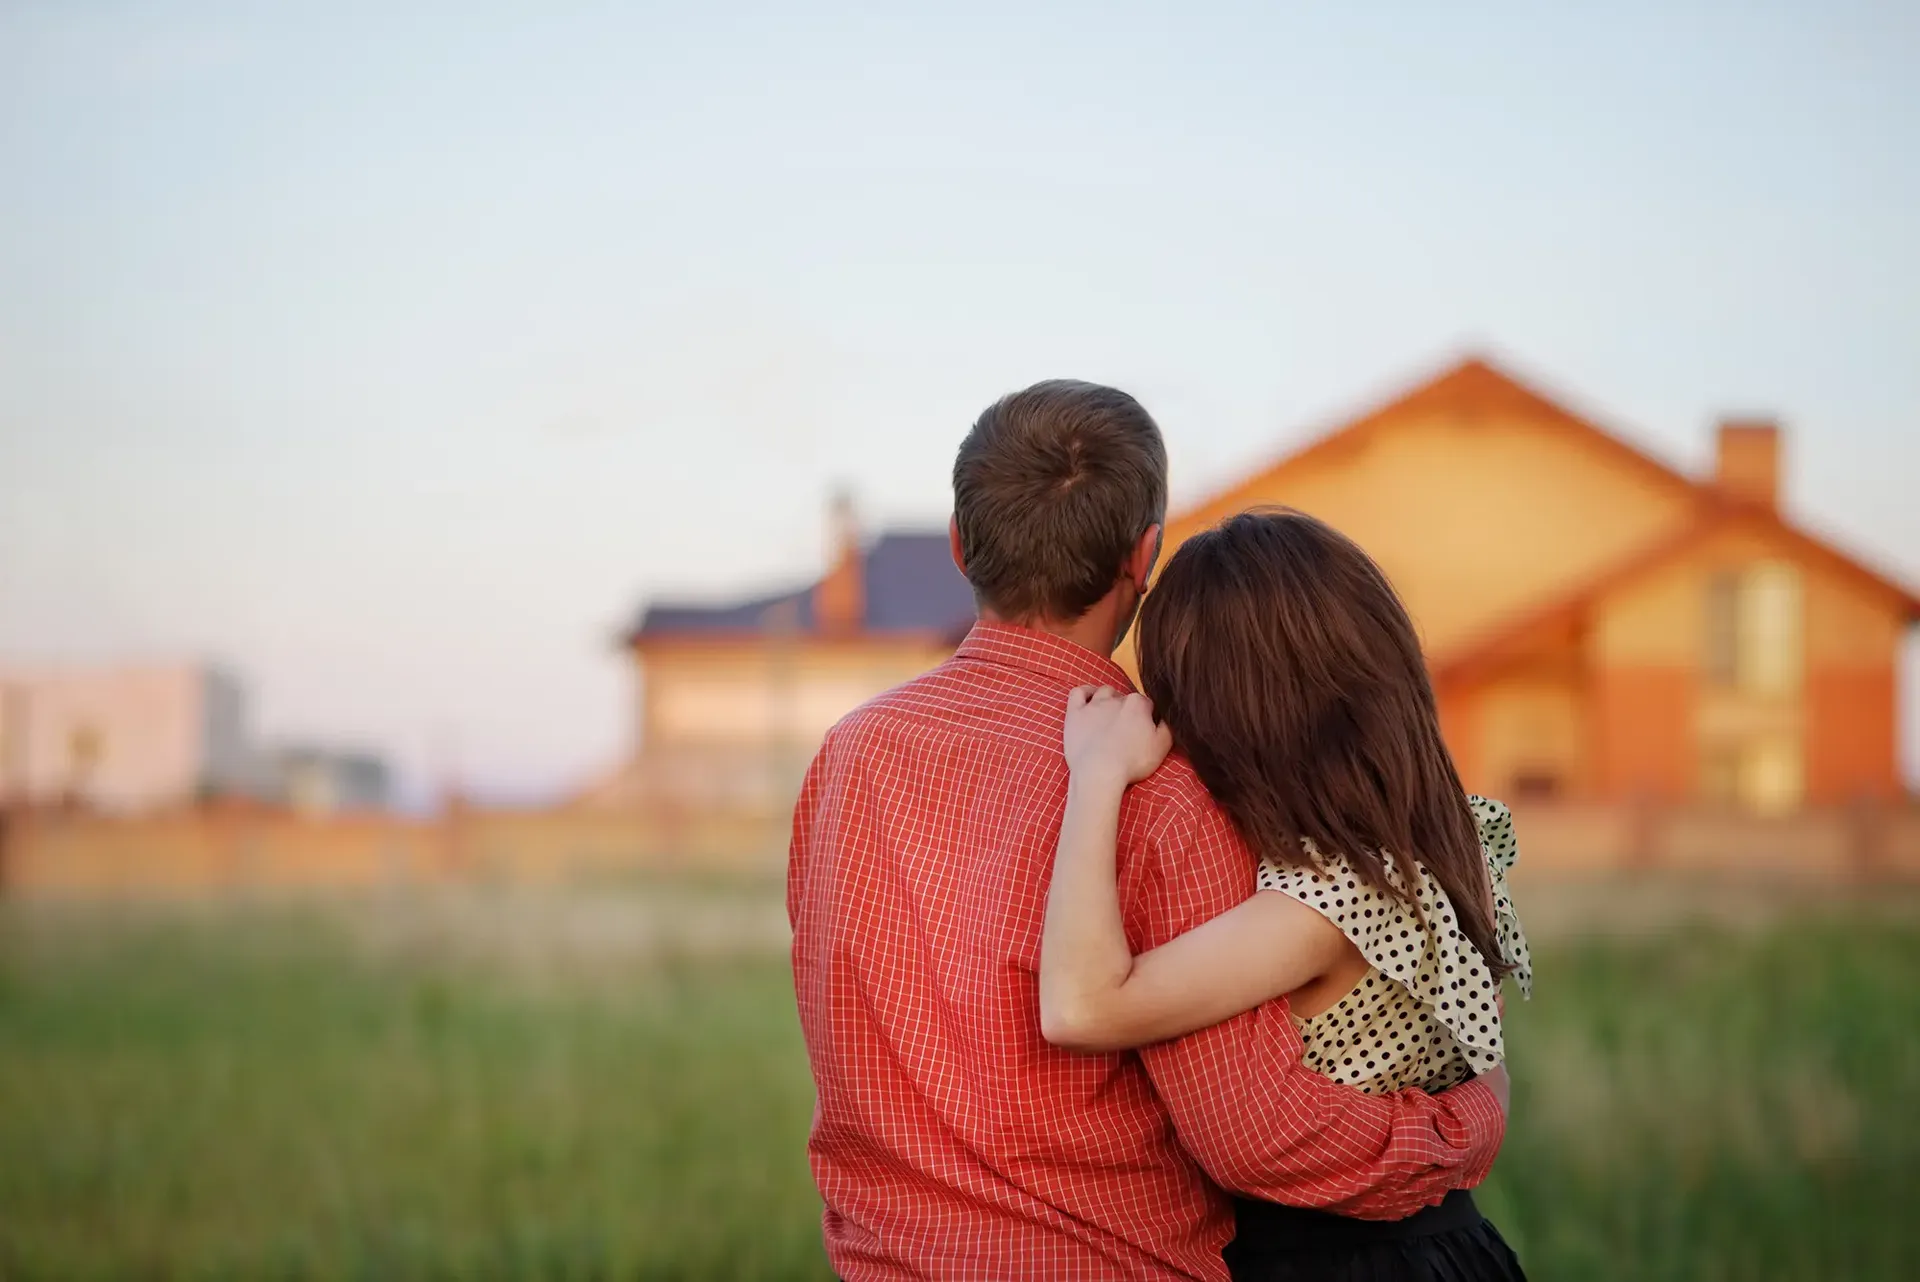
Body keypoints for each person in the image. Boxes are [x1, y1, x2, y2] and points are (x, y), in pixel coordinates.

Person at [788, 381, 1509, 1281]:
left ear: (961, 544)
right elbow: (1255, 1136)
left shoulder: (850, 757)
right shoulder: (1167, 792)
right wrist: (1463, 1122)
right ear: (1145, 554)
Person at [1041, 507, 1532, 1281]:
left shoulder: (1319, 912)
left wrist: (1098, 775)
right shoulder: (1446, 848)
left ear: (1230, 714)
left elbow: (1080, 1005)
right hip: (1452, 1251)